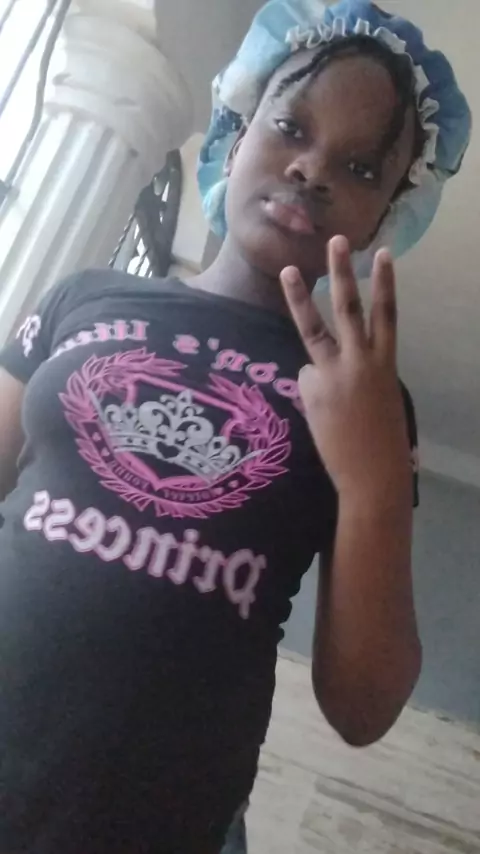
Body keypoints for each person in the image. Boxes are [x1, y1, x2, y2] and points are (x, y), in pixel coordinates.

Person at [0, 1, 470, 852]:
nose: (312, 169)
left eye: (362, 167)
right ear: (239, 120)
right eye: (291, 126)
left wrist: (372, 483)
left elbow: (361, 707)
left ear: (386, 214)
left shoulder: (366, 396)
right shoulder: (83, 297)